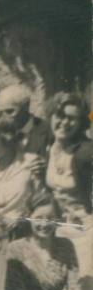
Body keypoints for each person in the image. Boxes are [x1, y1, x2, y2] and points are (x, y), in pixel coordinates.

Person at [45, 91, 92, 224]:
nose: (65, 122)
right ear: (51, 116)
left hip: (85, 224)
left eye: (72, 118)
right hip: (55, 223)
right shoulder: (48, 146)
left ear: (81, 123)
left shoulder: (86, 153)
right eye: (60, 115)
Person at [0, 84, 50, 162]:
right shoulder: (2, 135)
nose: (5, 117)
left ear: (26, 106)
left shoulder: (47, 130)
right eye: (1, 113)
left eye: (9, 111)